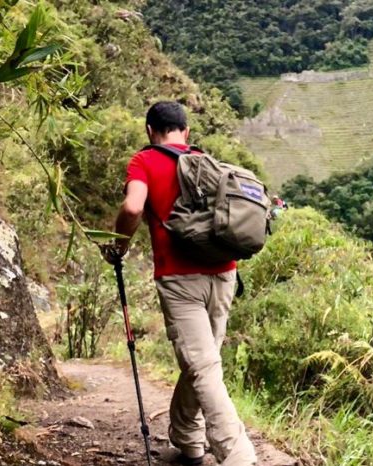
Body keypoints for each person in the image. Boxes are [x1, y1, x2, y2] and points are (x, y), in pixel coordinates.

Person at [102, 101, 256, 466]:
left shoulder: (144, 161)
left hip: (179, 277)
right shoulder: (205, 159)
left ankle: (238, 454)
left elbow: (133, 208)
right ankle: (188, 440)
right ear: (185, 132)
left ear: (149, 130)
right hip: (224, 272)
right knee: (203, 362)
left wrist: (119, 246)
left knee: (202, 366)